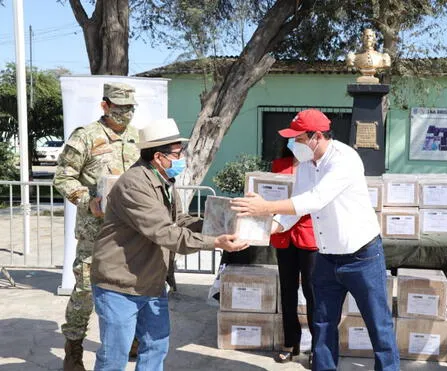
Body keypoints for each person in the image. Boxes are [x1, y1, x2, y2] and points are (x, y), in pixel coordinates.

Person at [231, 109, 399, 371]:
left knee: (378, 323)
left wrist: (266, 207)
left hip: (361, 255)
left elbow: (315, 199)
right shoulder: (306, 167)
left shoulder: (344, 159)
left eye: (297, 139)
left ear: (316, 137)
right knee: (322, 324)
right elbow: (295, 213)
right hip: (327, 256)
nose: (292, 145)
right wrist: (259, 231)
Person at [90, 118, 249, 371]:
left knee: (156, 346)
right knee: (115, 356)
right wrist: (214, 242)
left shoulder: (163, 182)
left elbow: (179, 220)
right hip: (120, 284)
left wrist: (216, 222)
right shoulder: (134, 184)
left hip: (151, 281)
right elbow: (165, 233)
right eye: (177, 153)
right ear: (158, 157)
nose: (181, 158)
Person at [54, 82, 139, 371]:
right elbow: (63, 178)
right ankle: (74, 348)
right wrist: (86, 199)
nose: (125, 114)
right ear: (105, 105)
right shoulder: (86, 137)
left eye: (130, 108)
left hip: (132, 231)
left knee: (132, 285)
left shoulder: (137, 138)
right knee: (86, 291)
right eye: (119, 108)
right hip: (96, 232)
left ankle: (132, 339)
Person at [270, 139, 318, 363]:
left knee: (312, 293)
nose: (296, 143)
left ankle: (318, 346)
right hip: (283, 234)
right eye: (292, 140)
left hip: (309, 235)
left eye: (299, 139)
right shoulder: (279, 165)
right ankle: (291, 342)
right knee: (287, 291)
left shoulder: (316, 166)